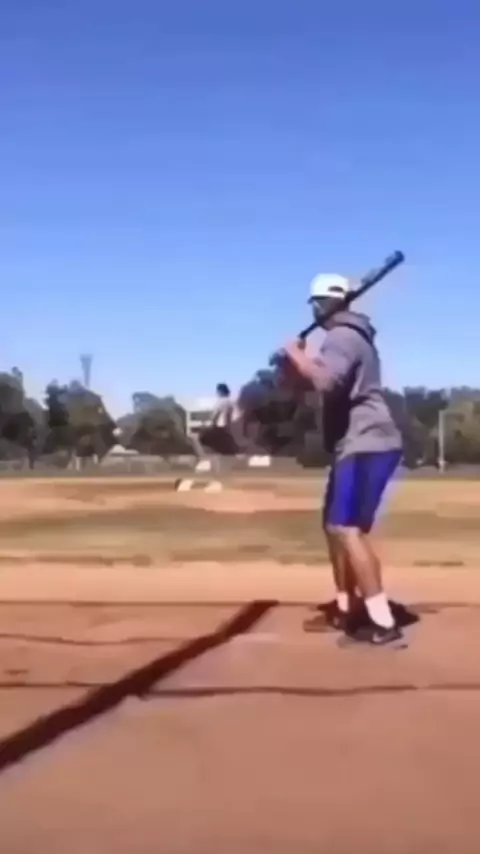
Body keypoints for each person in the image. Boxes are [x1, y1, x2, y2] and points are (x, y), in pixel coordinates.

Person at [282, 273, 403, 645]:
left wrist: (297, 354)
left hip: (367, 442)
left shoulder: (342, 337)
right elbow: (311, 384)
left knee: (347, 528)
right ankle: (346, 608)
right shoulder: (344, 337)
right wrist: (294, 364)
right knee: (334, 526)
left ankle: (382, 622)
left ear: (321, 305)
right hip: (355, 443)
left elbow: (326, 381)